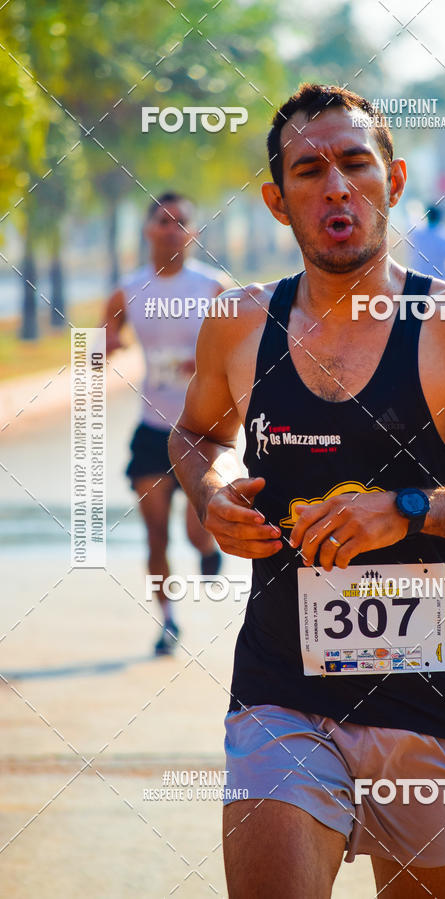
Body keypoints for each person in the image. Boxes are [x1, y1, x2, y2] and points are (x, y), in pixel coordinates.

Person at [168, 85, 445, 898]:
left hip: (425, 700)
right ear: (277, 201)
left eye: (356, 164)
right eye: (309, 169)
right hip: (279, 693)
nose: (336, 187)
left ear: (393, 181)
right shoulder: (239, 322)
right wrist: (210, 490)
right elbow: (193, 435)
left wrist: (410, 509)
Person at [103, 192, 231, 656]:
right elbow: (101, 340)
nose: (172, 229)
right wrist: (105, 346)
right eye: (164, 220)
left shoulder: (215, 287)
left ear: (194, 232)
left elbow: (242, 351)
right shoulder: (128, 288)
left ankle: (206, 549)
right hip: (153, 430)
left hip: (199, 429)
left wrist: (204, 367)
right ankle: (168, 619)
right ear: (147, 229)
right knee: (156, 532)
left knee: (198, 528)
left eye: (182, 221)